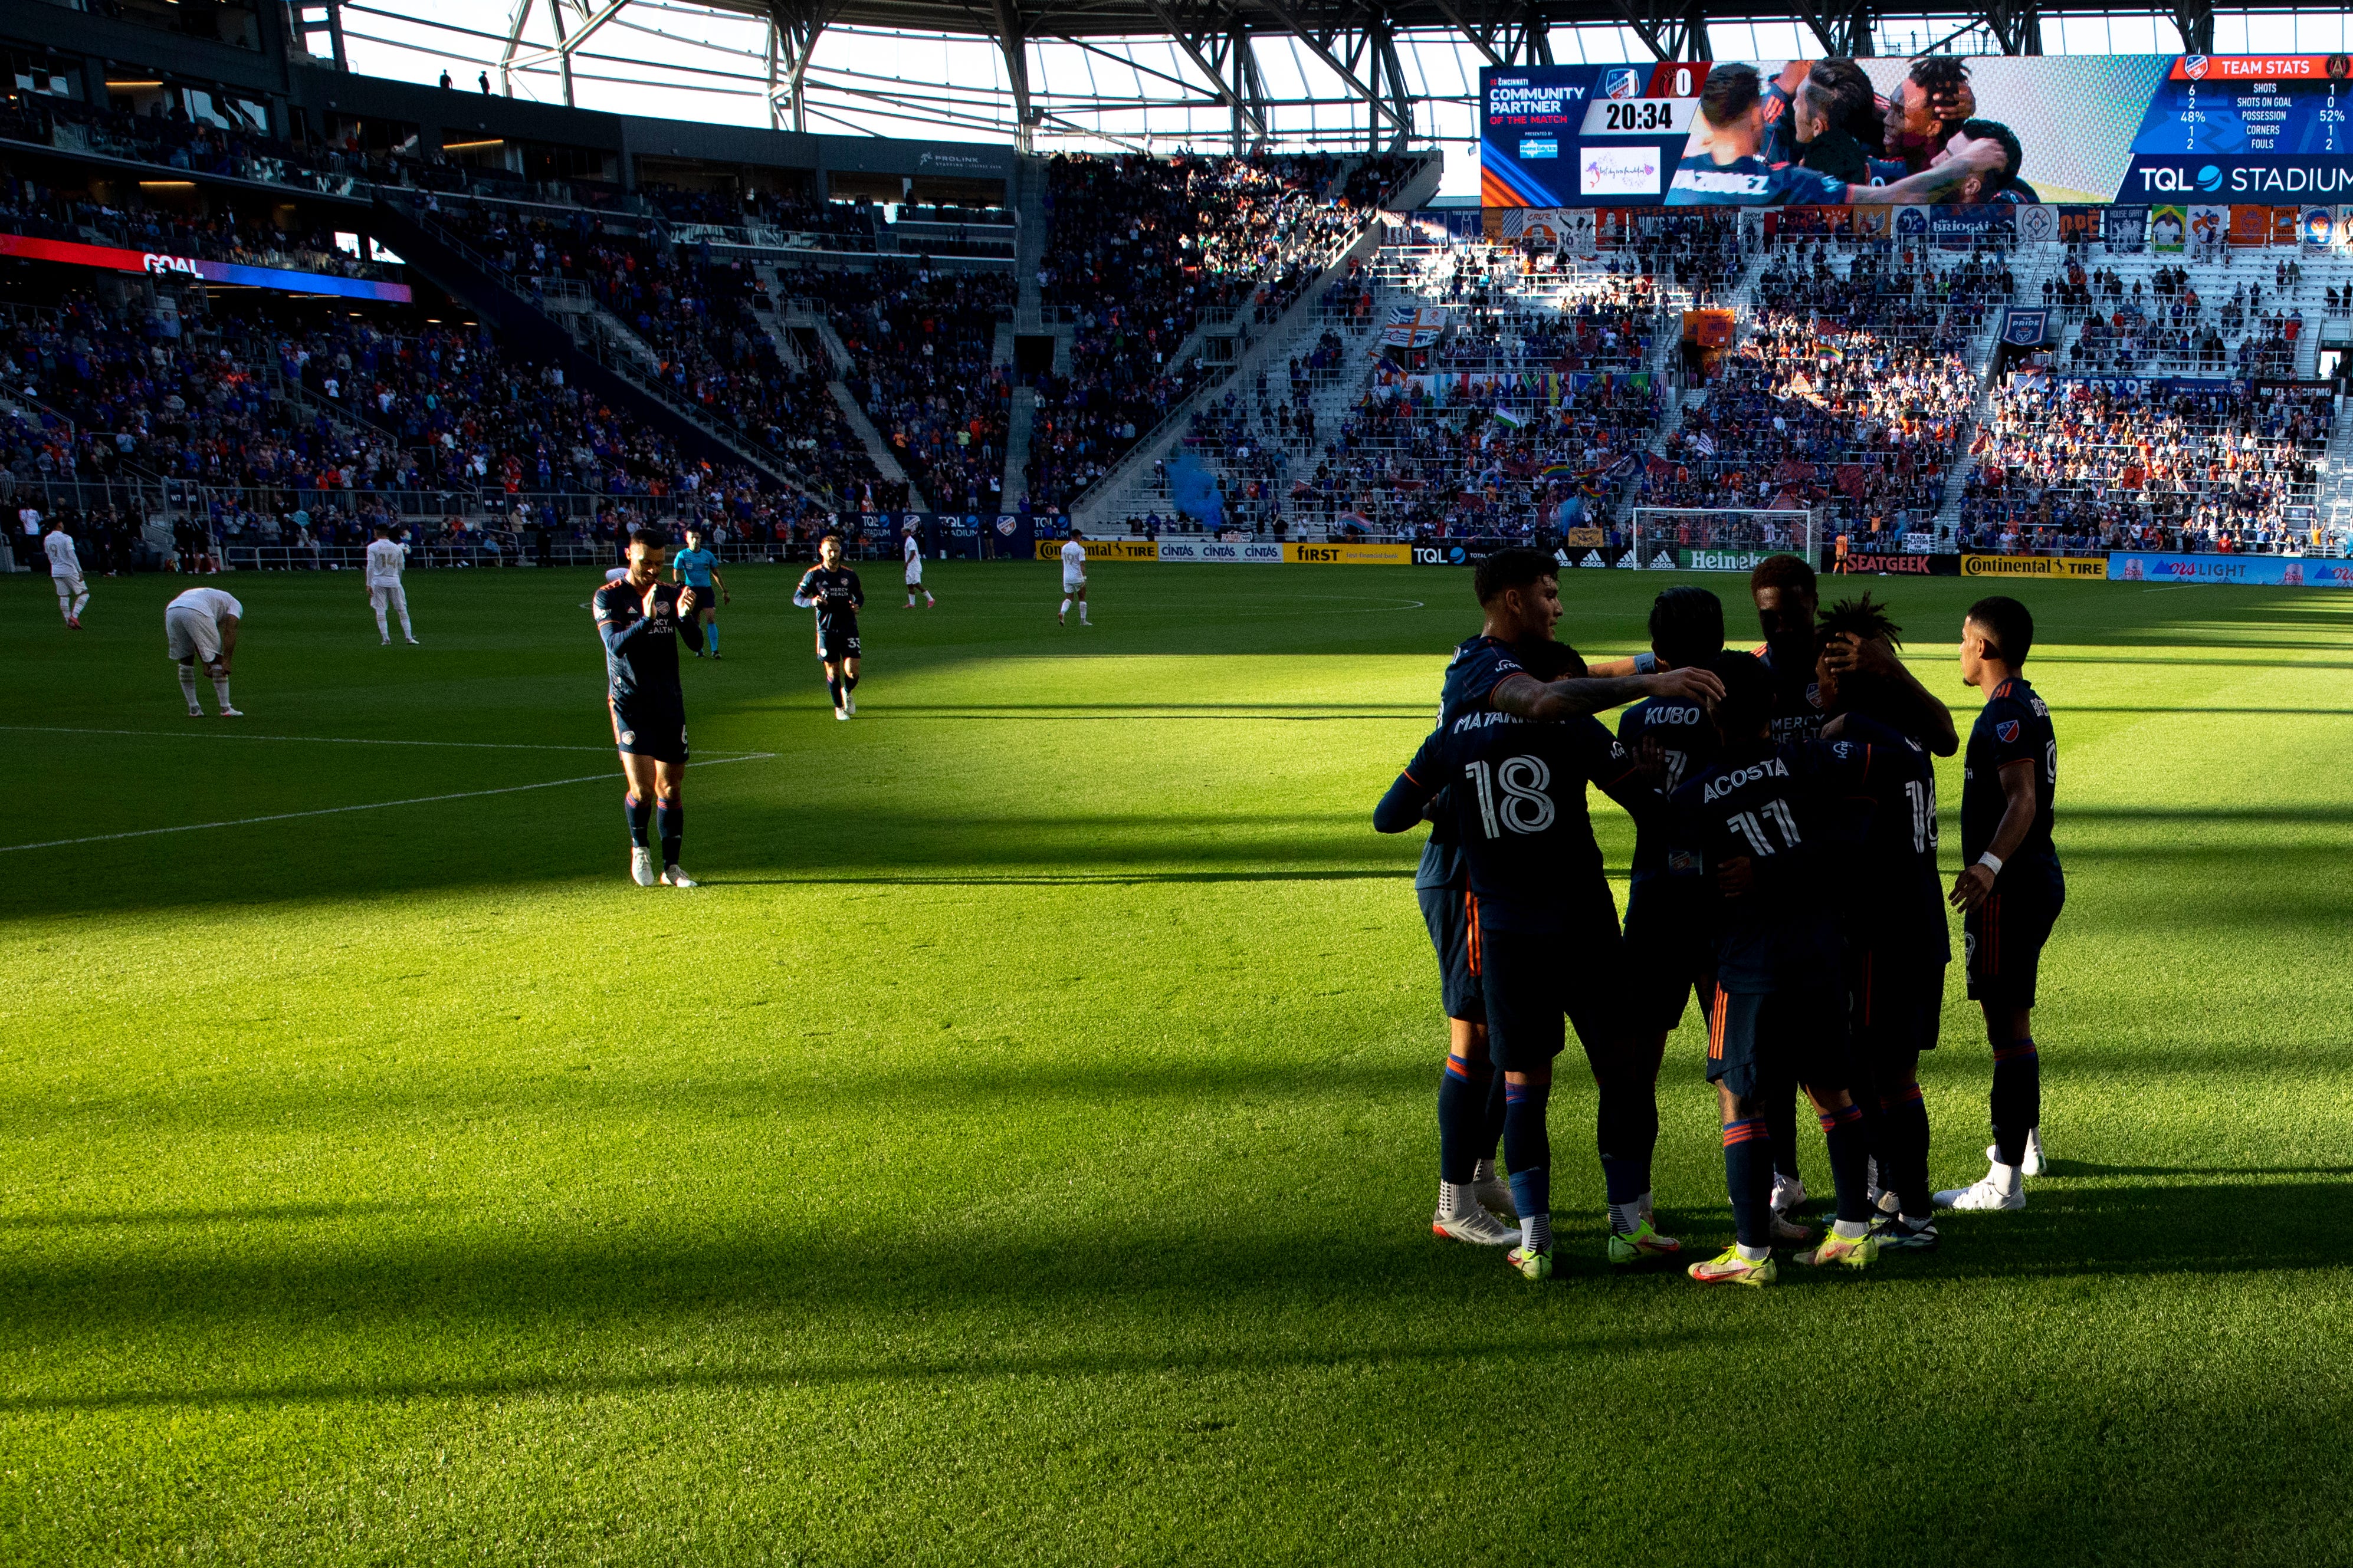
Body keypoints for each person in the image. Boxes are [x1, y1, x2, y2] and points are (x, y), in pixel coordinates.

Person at [1377, 548, 1724, 1277]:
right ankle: (1625, 1224)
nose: (1559, 605)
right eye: (1549, 593)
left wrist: (1458, 803)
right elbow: (1642, 799)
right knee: (1619, 1073)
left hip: (1503, 922)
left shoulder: (1450, 733)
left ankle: (1534, 1240)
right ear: (1510, 600)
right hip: (1579, 920)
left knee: (1521, 1082)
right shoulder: (1556, 719)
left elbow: (1388, 815)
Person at [1671, 652, 1893, 1286]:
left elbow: (1683, 885)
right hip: (1821, 958)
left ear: (1708, 708)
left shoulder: (1689, 798)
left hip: (1747, 970)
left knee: (1740, 1101)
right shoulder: (1812, 761)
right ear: (1772, 706)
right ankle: (1852, 1231)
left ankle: (1749, 1252)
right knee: (1832, 1093)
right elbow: (1856, 838)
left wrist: (1751, 876)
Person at [1811, 596, 1950, 1251]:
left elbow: (1840, 849)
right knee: (1881, 1072)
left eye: (1821, 671)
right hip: (1914, 922)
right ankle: (1892, 1194)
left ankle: (1913, 1216)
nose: (1813, 682)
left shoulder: (1852, 741)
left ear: (1842, 673)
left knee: (1886, 1076)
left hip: (1881, 929)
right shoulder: (1906, 733)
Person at [1939, 596, 2062, 1211]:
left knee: (2006, 1030)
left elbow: (2021, 801)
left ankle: (2004, 1180)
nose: (1958, 649)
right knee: (2014, 1020)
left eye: (1963, 638)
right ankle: (2027, 1145)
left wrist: (1987, 866)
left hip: (2009, 886)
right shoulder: (2023, 699)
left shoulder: (2004, 715)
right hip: (2033, 874)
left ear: (1983, 647)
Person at [1666, 63, 2005, 206]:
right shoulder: (1784, 166)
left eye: (1900, 112)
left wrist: (1963, 134)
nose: (1890, 115)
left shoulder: (1675, 172)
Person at [594, 527, 702, 888]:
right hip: (630, 701)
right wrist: (647, 618)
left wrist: (686, 616)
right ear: (629, 554)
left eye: (659, 563)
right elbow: (615, 646)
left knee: (671, 788)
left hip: (668, 701)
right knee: (642, 789)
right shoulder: (608, 597)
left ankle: (672, 868)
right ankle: (640, 847)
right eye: (646, 562)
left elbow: (695, 643)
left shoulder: (671, 594)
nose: (654, 569)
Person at [793, 532, 864, 719]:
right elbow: (797, 598)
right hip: (826, 630)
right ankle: (839, 708)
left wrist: (858, 605)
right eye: (829, 551)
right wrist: (812, 602)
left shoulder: (849, 575)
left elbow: (860, 597)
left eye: (836, 550)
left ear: (841, 551)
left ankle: (847, 692)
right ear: (822, 552)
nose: (833, 554)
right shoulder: (814, 575)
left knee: (852, 671)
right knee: (833, 670)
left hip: (849, 627)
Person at [165, 584, 242, 718]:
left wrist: (206, 663)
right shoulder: (235, 605)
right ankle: (226, 708)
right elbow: (230, 631)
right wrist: (227, 661)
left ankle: (194, 708)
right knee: (217, 658)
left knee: (186, 658)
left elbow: (197, 637)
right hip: (197, 610)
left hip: (172, 610)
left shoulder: (213, 598)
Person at [670, 524, 728, 659]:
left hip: (706, 590)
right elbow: (676, 572)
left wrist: (725, 590)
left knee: (711, 617)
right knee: (696, 621)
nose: (696, 540)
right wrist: (679, 584)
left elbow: (716, 573)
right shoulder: (683, 555)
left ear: (701, 539)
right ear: (687, 539)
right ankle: (699, 649)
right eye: (693, 538)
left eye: (698, 537)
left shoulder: (707, 555)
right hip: (692, 591)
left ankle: (715, 650)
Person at [366, 524, 417, 646]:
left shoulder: (372, 547)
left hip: (378, 581)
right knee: (402, 609)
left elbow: (370, 567)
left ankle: (386, 639)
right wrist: (397, 580)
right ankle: (409, 637)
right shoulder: (396, 548)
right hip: (394, 580)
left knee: (380, 610)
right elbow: (401, 567)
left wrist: (368, 583)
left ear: (377, 533)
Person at [45, 519, 88, 629]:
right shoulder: (66, 538)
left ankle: (68, 621)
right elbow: (72, 555)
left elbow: (49, 555)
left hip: (55, 571)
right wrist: (79, 570)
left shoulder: (47, 539)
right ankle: (74, 616)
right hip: (69, 570)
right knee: (84, 594)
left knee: (64, 597)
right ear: (59, 525)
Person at [1059, 528, 1091, 626]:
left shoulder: (1064, 547)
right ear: (1078, 537)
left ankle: (1063, 612)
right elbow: (1082, 565)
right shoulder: (1080, 549)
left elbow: (1063, 562)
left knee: (1069, 598)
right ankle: (1083, 621)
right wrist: (1084, 578)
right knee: (1082, 597)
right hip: (1077, 577)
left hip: (1067, 577)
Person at [903, 525, 936, 609]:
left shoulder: (910, 541)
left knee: (916, 584)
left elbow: (913, 553)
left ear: (909, 533)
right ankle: (912, 604)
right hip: (910, 567)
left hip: (914, 566)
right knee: (909, 584)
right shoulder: (908, 541)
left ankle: (931, 599)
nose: (903, 534)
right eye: (902, 532)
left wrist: (907, 563)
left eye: (905, 532)